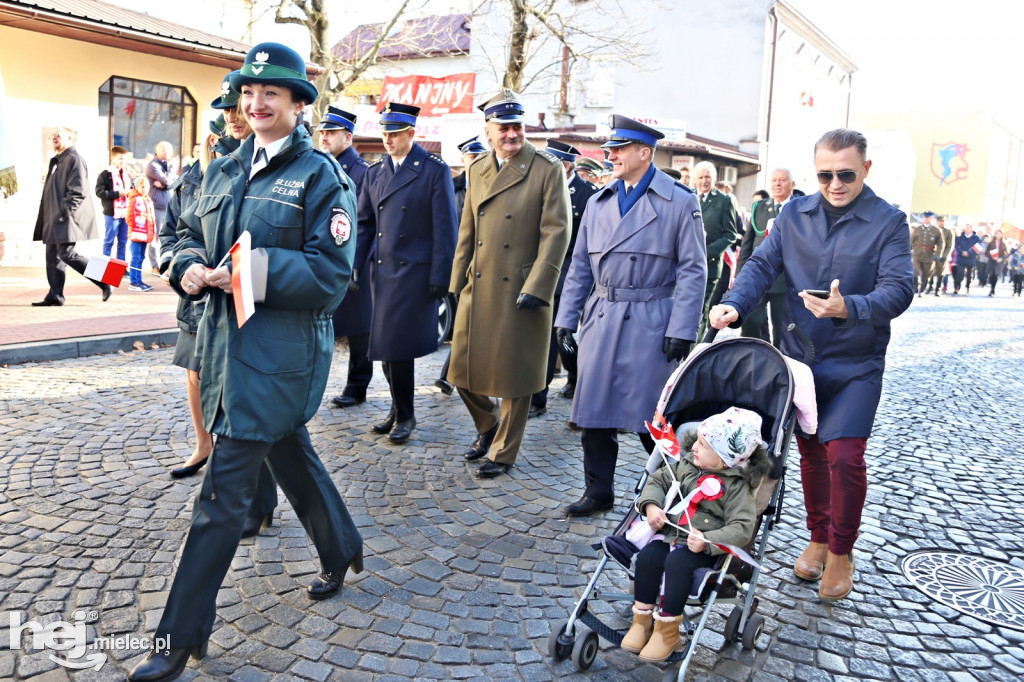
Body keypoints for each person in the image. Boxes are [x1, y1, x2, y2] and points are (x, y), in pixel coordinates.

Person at [128, 42, 364, 682]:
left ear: (296, 104)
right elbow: (179, 235)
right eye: (248, 94)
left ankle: (177, 639)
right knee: (288, 451)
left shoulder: (320, 176)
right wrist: (187, 268)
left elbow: (331, 273)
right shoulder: (224, 168)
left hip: (279, 357)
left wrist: (246, 272)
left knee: (221, 498)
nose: (255, 104)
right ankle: (342, 547)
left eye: (272, 95)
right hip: (222, 348)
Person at [710, 128, 914, 601]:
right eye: (825, 175)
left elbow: (900, 288)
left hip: (857, 362)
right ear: (815, 172)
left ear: (865, 169)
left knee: (845, 456)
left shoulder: (889, 222)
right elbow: (761, 266)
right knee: (811, 457)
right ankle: (818, 538)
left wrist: (852, 308)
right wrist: (735, 304)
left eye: (845, 173)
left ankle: (842, 552)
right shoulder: (793, 215)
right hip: (801, 359)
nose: (835, 184)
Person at [556, 115, 707, 516]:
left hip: (652, 318)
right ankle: (598, 490)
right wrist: (566, 319)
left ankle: (672, 492)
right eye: (611, 149)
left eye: (620, 149)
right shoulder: (599, 201)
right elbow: (579, 267)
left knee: (651, 418)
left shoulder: (680, 200)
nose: (611, 155)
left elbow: (694, 268)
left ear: (645, 152)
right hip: (602, 316)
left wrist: (683, 327)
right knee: (594, 412)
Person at [447, 89, 571, 478]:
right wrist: (456, 283)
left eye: (517, 126)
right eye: (503, 127)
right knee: (460, 371)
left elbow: (557, 232)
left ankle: (502, 453)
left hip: (520, 288)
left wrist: (538, 286)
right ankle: (487, 426)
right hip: (479, 284)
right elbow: (467, 230)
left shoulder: (546, 168)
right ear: (488, 130)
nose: (512, 134)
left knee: (515, 378)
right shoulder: (477, 168)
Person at [621, 408, 770, 662]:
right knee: (648, 557)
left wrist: (708, 540)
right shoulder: (686, 464)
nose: (695, 448)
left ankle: (667, 632)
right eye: (698, 441)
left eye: (703, 445)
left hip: (702, 548)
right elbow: (657, 481)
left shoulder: (736, 487)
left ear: (723, 460)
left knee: (676, 563)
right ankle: (641, 621)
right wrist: (652, 506)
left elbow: (742, 527)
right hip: (668, 535)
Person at [355, 103, 458, 444]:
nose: (388, 140)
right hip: (380, 273)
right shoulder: (374, 173)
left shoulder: (432, 170)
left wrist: (441, 277)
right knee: (384, 346)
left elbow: (445, 228)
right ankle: (397, 409)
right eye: (384, 134)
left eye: (395, 134)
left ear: (411, 134)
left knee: (397, 347)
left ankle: (407, 415)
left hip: (412, 273)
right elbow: (365, 225)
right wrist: (355, 265)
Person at [158, 74, 243, 480]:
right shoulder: (193, 176)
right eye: (226, 111)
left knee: (234, 380)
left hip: (238, 293)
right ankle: (203, 446)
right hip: (195, 295)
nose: (232, 117)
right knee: (194, 372)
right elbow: (171, 233)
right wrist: (178, 266)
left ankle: (236, 464)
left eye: (236, 108)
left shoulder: (254, 166)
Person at [529, 139, 600, 417]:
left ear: (566, 165)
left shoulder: (588, 194)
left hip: (568, 274)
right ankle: (559, 381)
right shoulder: (536, 186)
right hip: (536, 269)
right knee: (546, 335)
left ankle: (544, 394)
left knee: (555, 335)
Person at [318, 106, 375, 409]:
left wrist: (357, 265)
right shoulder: (319, 166)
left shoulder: (363, 171)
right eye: (323, 132)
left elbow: (369, 222)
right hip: (325, 258)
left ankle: (357, 386)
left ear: (348, 137)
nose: (324, 137)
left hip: (356, 261)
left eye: (331, 132)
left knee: (359, 329)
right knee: (322, 324)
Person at [32, 127, 111, 306]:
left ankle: (106, 278)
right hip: (53, 218)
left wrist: (63, 213)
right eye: (52, 136)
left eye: (58, 135)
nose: (54, 138)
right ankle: (55, 295)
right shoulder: (58, 161)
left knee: (67, 253)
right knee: (52, 256)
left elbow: (78, 191)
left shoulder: (74, 159)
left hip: (65, 218)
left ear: (70, 138)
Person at [435, 135, 488, 397]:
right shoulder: (451, 187)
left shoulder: (492, 185)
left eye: (479, 156)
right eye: (471, 157)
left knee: (466, 325)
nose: (475, 161)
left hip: (483, 266)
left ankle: (450, 375)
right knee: (461, 324)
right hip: (455, 264)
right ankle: (453, 375)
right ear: (463, 160)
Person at [737, 168, 796, 347]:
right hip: (758, 276)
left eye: (782, 180)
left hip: (786, 280)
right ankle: (758, 354)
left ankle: (780, 362)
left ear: (792, 185)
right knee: (750, 321)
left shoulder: (799, 209)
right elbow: (748, 244)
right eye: (774, 180)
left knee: (782, 327)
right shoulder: (759, 207)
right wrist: (740, 274)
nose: (777, 184)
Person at [692, 160, 738, 337]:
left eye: (708, 177)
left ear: (714, 179)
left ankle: (694, 352)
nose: (704, 181)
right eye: (701, 177)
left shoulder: (724, 201)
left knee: (701, 310)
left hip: (709, 265)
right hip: (684, 264)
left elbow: (730, 234)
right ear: (695, 179)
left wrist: (706, 253)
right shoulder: (688, 196)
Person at [95, 145, 131, 263]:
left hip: (125, 212)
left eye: (124, 159)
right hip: (112, 213)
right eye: (120, 158)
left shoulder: (126, 174)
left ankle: (120, 269)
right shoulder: (106, 174)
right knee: (109, 241)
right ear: (113, 159)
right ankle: (104, 269)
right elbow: (99, 192)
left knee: (123, 242)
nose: (123, 161)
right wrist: (117, 193)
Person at [146, 141, 175, 272]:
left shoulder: (168, 165)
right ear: (161, 151)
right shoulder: (153, 165)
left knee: (168, 235)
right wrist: (168, 181)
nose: (171, 154)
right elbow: (169, 180)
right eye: (169, 150)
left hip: (168, 205)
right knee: (155, 236)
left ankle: (166, 263)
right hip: (156, 205)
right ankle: (155, 265)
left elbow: (170, 183)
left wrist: (166, 184)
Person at [126, 176, 156, 292]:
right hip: (137, 233)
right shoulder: (134, 199)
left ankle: (139, 280)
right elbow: (129, 216)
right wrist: (135, 228)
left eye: (146, 187)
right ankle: (134, 281)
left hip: (144, 234)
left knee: (140, 258)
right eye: (142, 187)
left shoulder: (146, 199)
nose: (145, 189)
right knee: (136, 257)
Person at [910, 211, 941, 296]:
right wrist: (908, 250)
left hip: (929, 254)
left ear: (931, 219)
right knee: (915, 270)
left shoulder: (936, 230)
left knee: (926, 272)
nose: (926, 219)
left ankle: (922, 289)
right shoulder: (918, 229)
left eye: (928, 217)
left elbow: (941, 243)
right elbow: (911, 240)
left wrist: (938, 254)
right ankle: (914, 287)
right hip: (917, 253)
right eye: (925, 217)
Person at [931, 215, 955, 295]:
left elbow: (950, 245)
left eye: (942, 221)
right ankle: (930, 286)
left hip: (943, 255)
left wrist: (945, 256)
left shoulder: (948, 231)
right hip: (933, 254)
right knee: (930, 271)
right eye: (939, 221)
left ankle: (938, 289)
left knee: (940, 273)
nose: (941, 223)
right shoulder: (933, 230)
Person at [986, 229, 1008, 296]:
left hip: (999, 262)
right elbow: (986, 252)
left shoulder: (1004, 244)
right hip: (992, 261)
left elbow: (1006, 254)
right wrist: (992, 256)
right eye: (997, 233)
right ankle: (991, 288)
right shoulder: (991, 243)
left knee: (996, 275)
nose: (998, 235)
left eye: (999, 234)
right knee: (991, 275)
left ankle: (993, 289)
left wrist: (1001, 258)